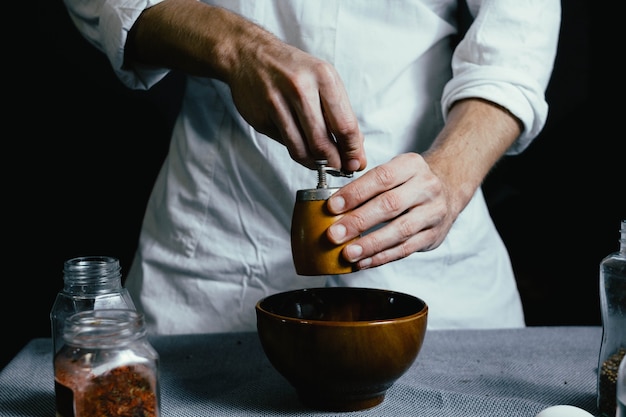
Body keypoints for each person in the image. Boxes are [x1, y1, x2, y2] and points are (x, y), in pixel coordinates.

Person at [62, 0, 561, 333]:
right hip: (215, 252)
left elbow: (516, 41)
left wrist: (450, 177)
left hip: (433, 265)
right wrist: (233, 43)